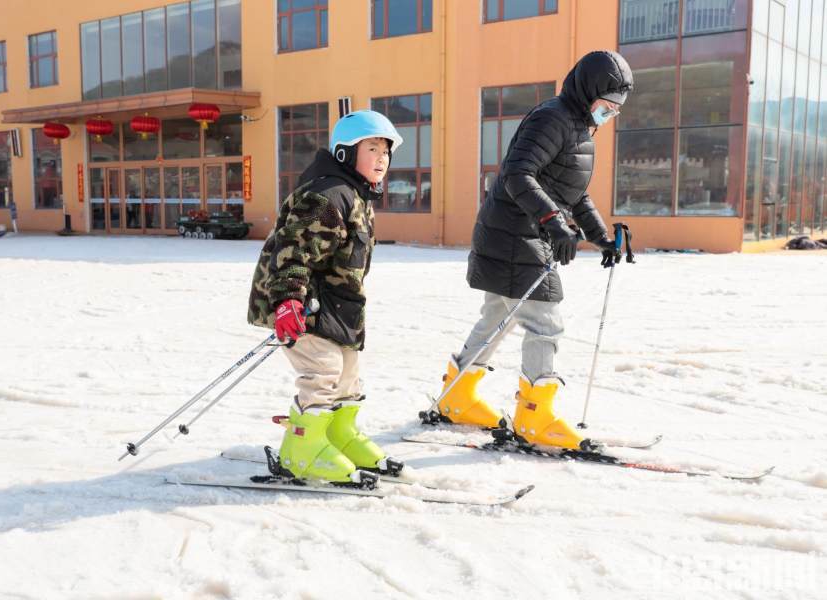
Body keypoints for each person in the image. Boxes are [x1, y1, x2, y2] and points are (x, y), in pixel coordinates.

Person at [430, 50, 634, 452]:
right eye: (606, 105)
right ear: (589, 90)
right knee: (546, 322)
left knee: (498, 318)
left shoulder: (578, 127)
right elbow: (516, 176)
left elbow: (572, 192)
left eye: (615, 110)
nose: (609, 114)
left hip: (515, 233)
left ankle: (457, 396)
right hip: (515, 235)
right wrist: (553, 223)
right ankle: (535, 417)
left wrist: (601, 237)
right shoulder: (553, 118)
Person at [248, 110, 403, 484]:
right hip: (303, 305)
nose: (382, 158)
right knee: (323, 373)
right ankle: (302, 451)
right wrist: (287, 301)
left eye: (386, 150)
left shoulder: (356, 195)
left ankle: (337, 435)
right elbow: (293, 251)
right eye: (372, 148)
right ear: (344, 154)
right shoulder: (326, 195)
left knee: (348, 377)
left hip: (338, 307)